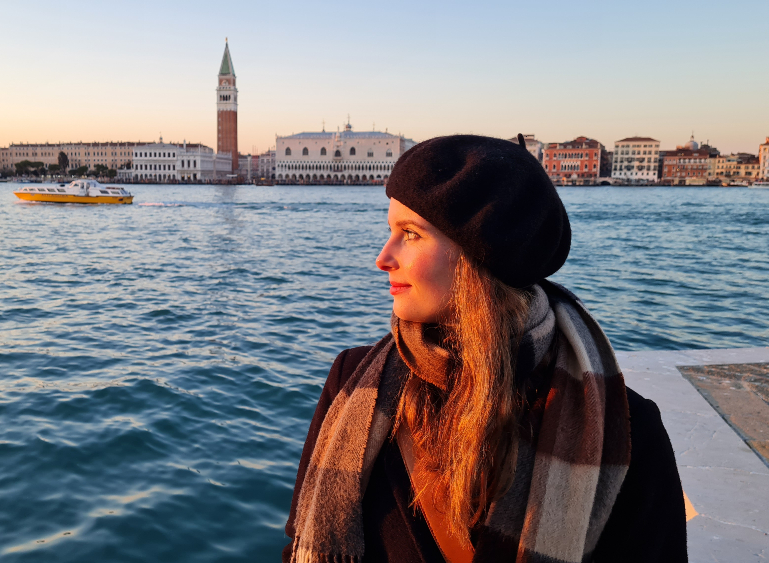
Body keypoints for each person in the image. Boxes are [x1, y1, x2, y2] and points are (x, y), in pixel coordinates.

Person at [282, 135, 686, 563]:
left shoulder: (624, 430)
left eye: (410, 234)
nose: (382, 258)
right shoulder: (352, 379)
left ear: (481, 255)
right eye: (391, 231)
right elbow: (299, 544)